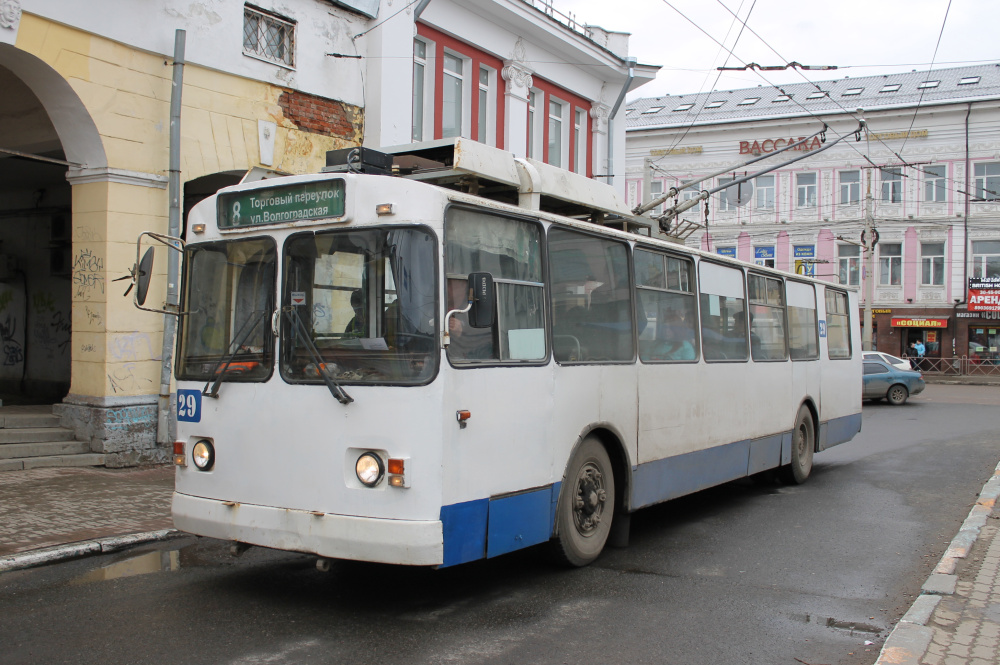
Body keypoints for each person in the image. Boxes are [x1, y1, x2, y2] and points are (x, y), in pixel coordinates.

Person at [446, 278, 494, 360]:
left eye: (450, 284)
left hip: (462, 361)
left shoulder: (474, 309)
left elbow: (487, 334)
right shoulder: (434, 308)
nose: (446, 287)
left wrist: (461, 331)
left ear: (463, 286)